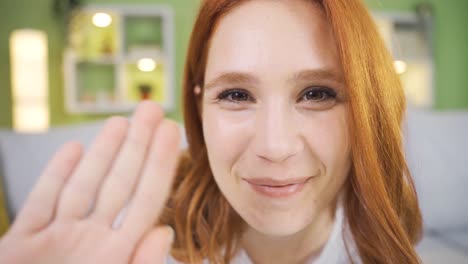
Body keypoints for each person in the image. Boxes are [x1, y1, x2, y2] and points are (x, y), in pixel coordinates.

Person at [0, 0, 422, 263]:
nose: (275, 147)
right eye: (237, 95)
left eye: (317, 93)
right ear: (198, 105)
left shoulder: (384, 232)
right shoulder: (135, 247)